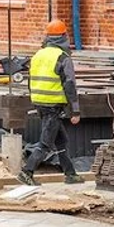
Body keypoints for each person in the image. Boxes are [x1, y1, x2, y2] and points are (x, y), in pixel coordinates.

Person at [18, 19, 82, 186]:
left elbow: (30, 80)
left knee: (61, 141)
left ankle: (70, 174)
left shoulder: (38, 54)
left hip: (40, 102)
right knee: (46, 143)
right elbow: (70, 85)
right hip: (53, 105)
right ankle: (27, 171)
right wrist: (75, 111)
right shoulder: (62, 57)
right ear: (63, 36)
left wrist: (34, 99)